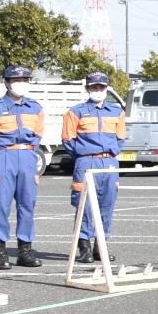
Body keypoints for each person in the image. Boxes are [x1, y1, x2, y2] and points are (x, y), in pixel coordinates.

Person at [0, 66, 45, 269]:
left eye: (25, 79)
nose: (20, 83)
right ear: (6, 82)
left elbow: (37, 135)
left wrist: (27, 152)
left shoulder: (36, 108)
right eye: (16, 80)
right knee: (0, 206)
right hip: (2, 157)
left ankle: (25, 252)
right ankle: (0, 253)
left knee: (27, 205)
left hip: (27, 156)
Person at [62, 72, 125, 265]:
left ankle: (101, 247)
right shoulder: (76, 112)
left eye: (101, 87)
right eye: (94, 87)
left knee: (107, 204)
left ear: (107, 89)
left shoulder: (117, 111)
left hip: (109, 163)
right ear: (88, 89)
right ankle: (84, 248)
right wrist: (83, 154)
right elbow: (68, 139)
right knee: (84, 205)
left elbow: (121, 138)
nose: (97, 90)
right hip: (86, 162)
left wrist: (110, 154)